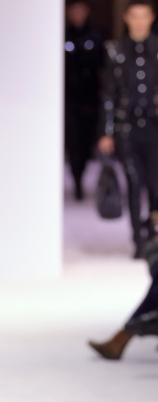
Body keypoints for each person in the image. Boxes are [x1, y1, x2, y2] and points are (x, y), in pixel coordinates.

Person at [99, 0, 158, 255]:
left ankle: (152, 233)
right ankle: (137, 239)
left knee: (155, 184)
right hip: (127, 128)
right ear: (126, 18)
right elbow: (109, 93)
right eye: (135, 16)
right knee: (134, 182)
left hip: (155, 128)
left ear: (152, 17)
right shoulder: (116, 50)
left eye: (144, 16)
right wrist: (106, 131)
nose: (139, 21)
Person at [65, 1, 106, 200]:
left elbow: (103, 67)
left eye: (81, 10)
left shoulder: (96, 37)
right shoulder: (62, 36)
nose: (78, 14)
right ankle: (77, 180)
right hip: (68, 98)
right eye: (74, 10)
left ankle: (82, 174)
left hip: (90, 97)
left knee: (87, 141)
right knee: (73, 142)